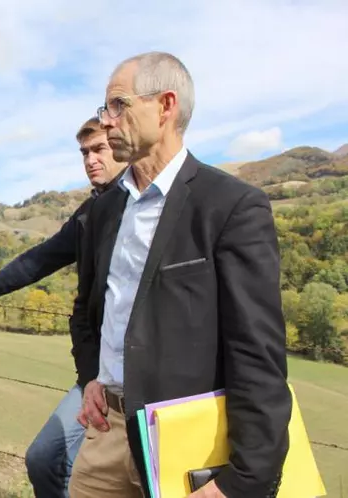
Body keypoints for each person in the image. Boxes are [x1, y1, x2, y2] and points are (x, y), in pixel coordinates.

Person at [68, 51, 291, 498]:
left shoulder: (230, 206)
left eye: (118, 105)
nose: (107, 121)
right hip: (106, 438)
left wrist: (244, 479)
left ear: (166, 106)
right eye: (104, 109)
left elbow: (256, 352)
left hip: (188, 447)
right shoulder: (105, 209)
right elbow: (91, 308)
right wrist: (93, 375)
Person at [0, 118, 127, 497]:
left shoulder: (143, 209)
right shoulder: (88, 214)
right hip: (96, 373)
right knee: (45, 458)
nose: (90, 160)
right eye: (84, 152)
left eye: (99, 149)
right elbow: (40, 258)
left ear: (122, 145)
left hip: (146, 381)